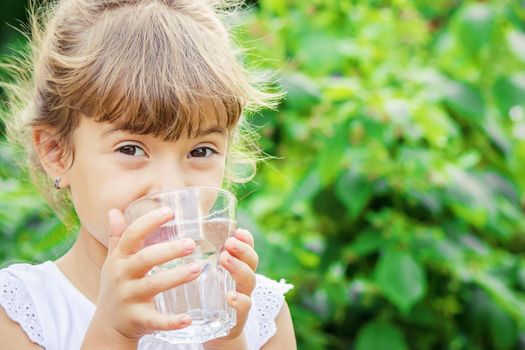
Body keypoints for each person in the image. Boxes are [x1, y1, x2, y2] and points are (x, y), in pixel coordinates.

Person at [0, 0, 296, 349]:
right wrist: (114, 332)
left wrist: (225, 338)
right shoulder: (22, 312)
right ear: (56, 152)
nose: (170, 187)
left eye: (200, 151)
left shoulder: (261, 312)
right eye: (131, 149)